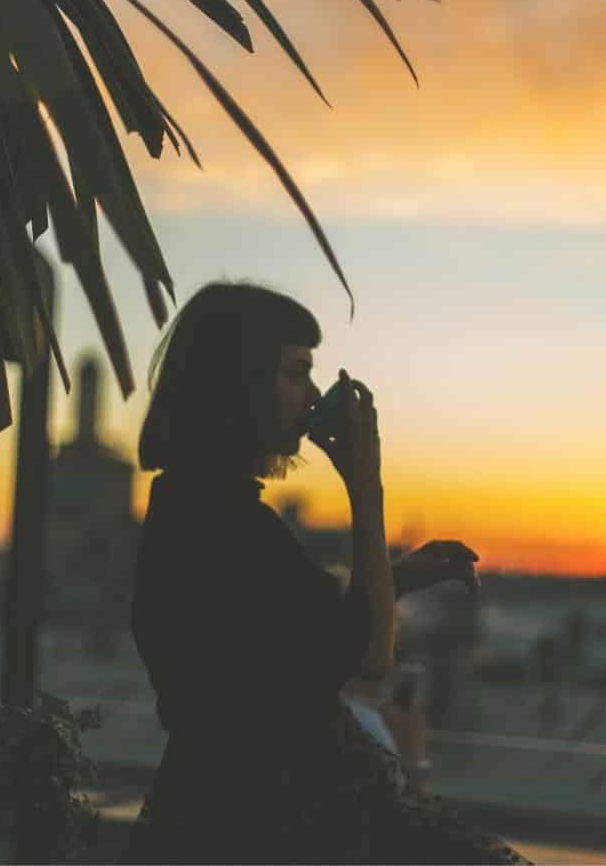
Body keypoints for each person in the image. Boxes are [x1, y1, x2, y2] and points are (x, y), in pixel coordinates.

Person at [119, 280, 529, 864]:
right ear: (239, 382)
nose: (312, 396)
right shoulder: (223, 518)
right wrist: (366, 488)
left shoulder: (198, 505)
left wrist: (397, 578)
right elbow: (366, 657)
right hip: (267, 825)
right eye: (295, 373)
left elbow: (295, 634)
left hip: (227, 814)